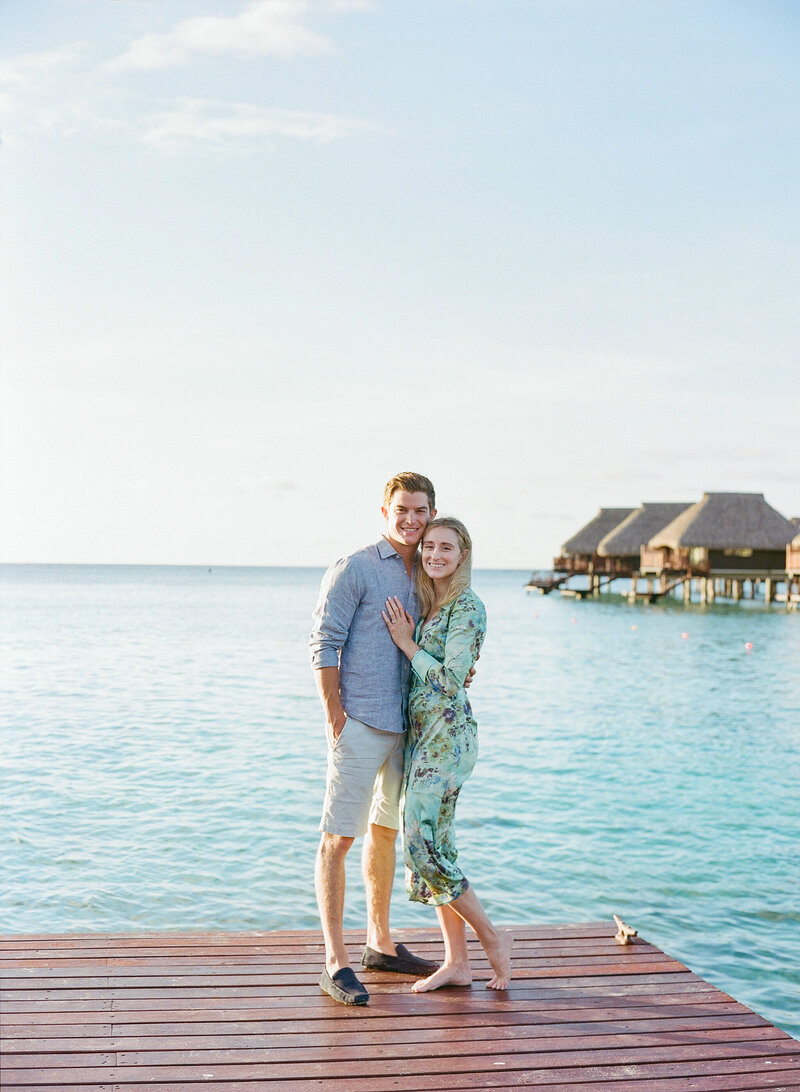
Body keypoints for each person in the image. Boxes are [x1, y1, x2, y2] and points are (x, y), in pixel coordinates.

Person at [309, 472, 441, 1006]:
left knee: (383, 834)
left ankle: (379, 943)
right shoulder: (356, 567)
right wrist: (334, 714)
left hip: (404, 727)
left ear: (432, 513)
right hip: (360, 722)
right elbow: (323, 642)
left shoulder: (430, 572)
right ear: (385, 512)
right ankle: (335, 962)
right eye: (402, 510)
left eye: (421, 511)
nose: (411, 520)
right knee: (338, 840)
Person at [382, 517, 512, 992]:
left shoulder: (468, 607)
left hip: (448, 739)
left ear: (463, 556)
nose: (435, 554)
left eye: (446, 548)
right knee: (439, 844)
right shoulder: (435, 605)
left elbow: (450, 682)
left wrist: (406, 643)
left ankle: (492, 938)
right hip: (423, 738)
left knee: (419, 841)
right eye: (430, 546)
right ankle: (458, 962)